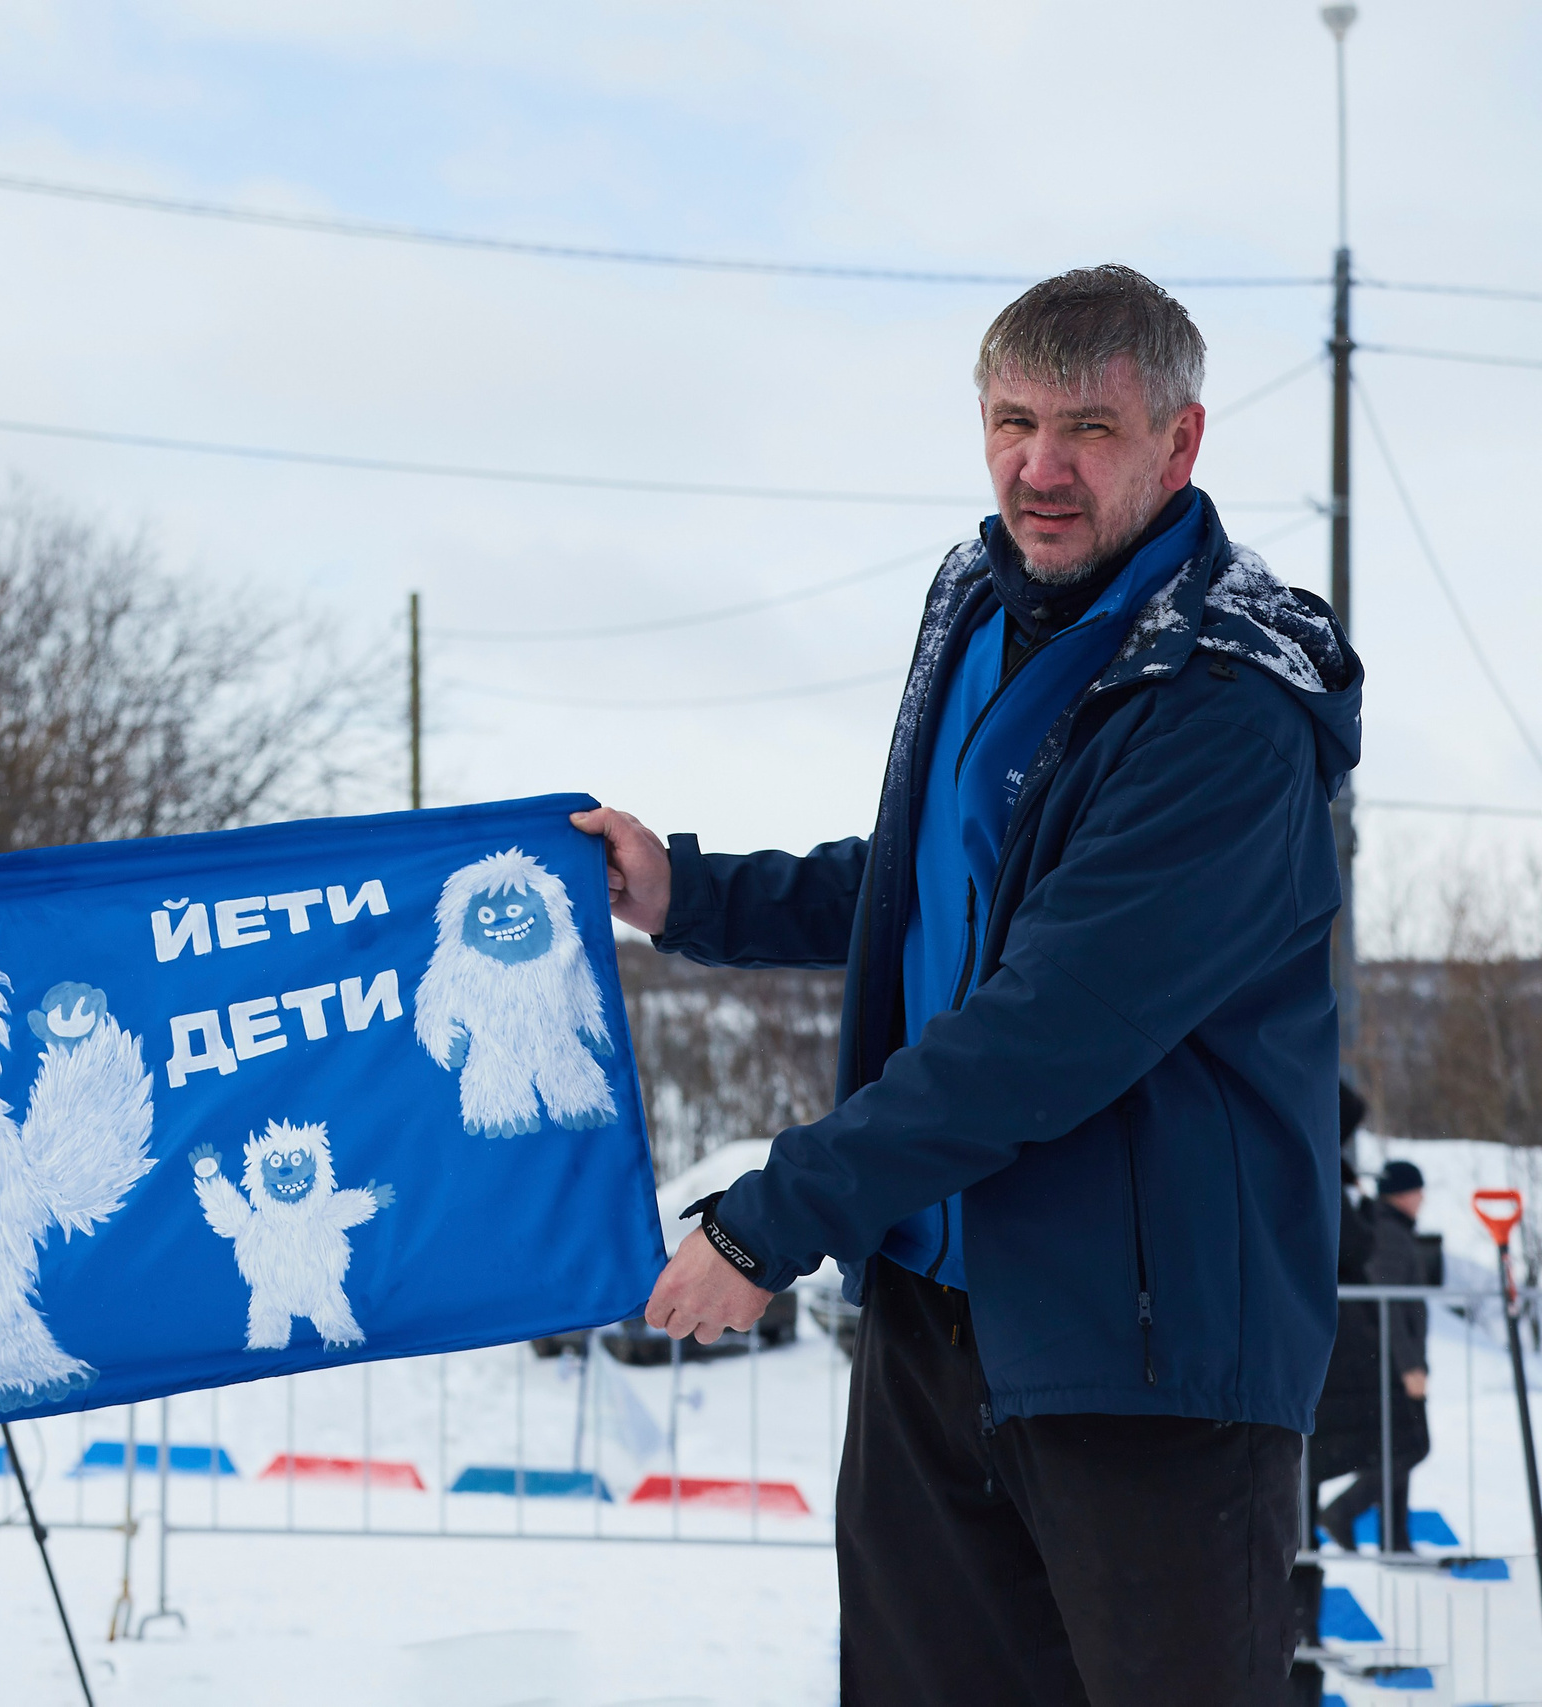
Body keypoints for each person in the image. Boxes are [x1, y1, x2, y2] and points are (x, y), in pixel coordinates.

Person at [575, 266, 1361, 1703]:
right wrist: (685, 892)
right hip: (939, 1324)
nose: (1037, 467)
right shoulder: (994, 616)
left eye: (1088, 429)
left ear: (1179, 445)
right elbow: (934, 881)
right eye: (1010, 420)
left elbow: (1052, 1020)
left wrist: (771, 1220)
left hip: (1143, 1350)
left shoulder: (1225, 706)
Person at [1318, 1161, 1435, 1551]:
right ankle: (1343, 1511)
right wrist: (1409, 1366)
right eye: (1417, 1190)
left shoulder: (1390, 1229)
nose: (1421, 1199)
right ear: (1402, 1194)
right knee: (1410, 1445)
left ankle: (1395, 1539)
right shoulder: (1388, 1233)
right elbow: (1389, 1309)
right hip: (1393, 1363)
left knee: (1401, 1445)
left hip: (1393, 1361)